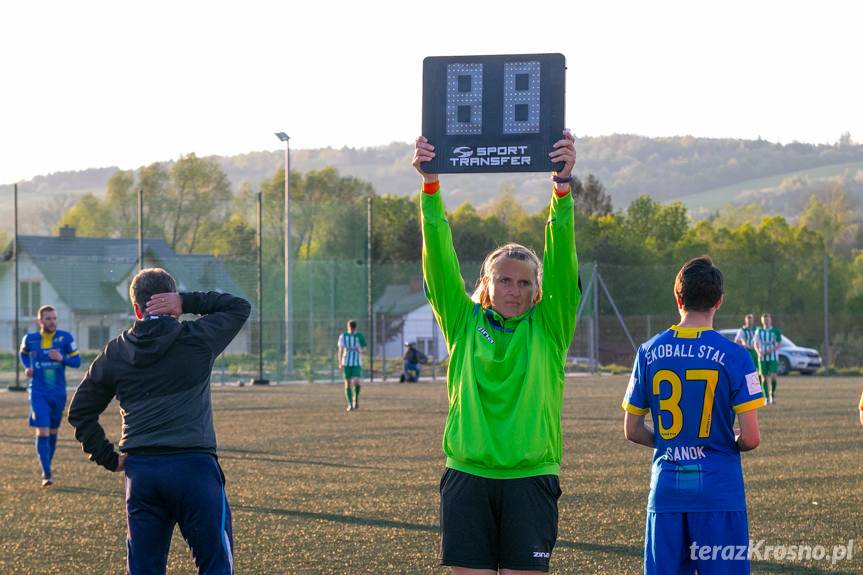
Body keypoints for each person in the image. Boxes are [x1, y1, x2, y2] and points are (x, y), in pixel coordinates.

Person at [413, 129, 578, 574]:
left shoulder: (549, 327)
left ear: (538, 290)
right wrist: (430, 186)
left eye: (524, 282)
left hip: (531, 477)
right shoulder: (462, 322)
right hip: (467, 476)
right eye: (504, 280)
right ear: (486, 284)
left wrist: (561, 190)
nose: (514, 289)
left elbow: (562, 261)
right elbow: (439, 258)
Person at [67, 268, 250, 575]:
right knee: (216, 565)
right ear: (172, 304)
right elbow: (238, 307)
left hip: (143, 473)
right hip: (194, 469)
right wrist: (187, 301)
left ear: (136, 309)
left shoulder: (117, 351)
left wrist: (107, 457)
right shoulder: (196, 338)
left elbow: (80, 411)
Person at [622, 256, 764, 575]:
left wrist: (674, 443)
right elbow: (751, 438)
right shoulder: (737, 356)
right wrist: (723, 441)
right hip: (718, 491)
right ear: (719, 301)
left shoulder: (648, 351)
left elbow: (632, 430)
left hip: (667, 492)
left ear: (678, 298)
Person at [19, 305, 81, 486]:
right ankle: (47, 474)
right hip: (38, 392)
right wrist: (27, 368)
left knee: (53, 431)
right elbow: (23, 354)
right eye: (48, 318)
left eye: (54, 318)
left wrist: (62, 358)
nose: (52, 322)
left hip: (58, 393)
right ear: (39, 321)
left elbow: (77, 361)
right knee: (43, 429)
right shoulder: (30, 339)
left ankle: (47, 464)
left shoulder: (65, 338)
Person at [337, 320, 367, 411]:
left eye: (352, 328)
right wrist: (340, 362)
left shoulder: (359, 336)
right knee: (348, 383)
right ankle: (350, 404)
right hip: (346, 362)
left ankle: (356, 398)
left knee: (356, 381)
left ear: (355, 327)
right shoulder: (343, 336)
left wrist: (361, 351)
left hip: (356, 362)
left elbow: (365, 349)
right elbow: (340, 350)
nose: (351, 329)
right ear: (348, 327)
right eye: (350, 328)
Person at [754, 313, 782, 404]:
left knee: (773, 376)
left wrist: (770, 351)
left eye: (767, 319)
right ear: (762, 321)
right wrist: (758, 352)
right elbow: (755, 343)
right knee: (763, 377)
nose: (766, 321)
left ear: (770, 320)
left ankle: (772, 394)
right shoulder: (759, 331)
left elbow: (779, 344)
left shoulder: (775, 330)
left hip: (772, 357)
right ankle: (765, 397)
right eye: (764, 320)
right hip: (762, 357)